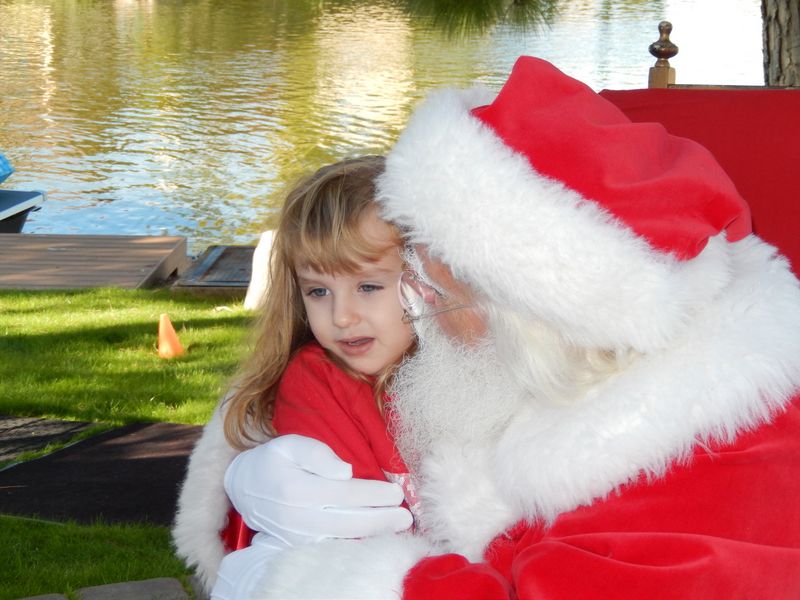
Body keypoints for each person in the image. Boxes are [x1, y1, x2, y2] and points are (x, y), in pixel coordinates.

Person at [180, 57, 800, 598]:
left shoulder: (720, 460)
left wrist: (313, 582)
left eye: (430, 285)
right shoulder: (550, 367)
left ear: (531, 306)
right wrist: (246, 492)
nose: (415, 307)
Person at [173, 156, 416, 595]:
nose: (342, 316)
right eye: (318, 291)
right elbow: (345, 527)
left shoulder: (465, 373)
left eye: (368, 287)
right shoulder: (316, 381)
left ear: (424, 278)